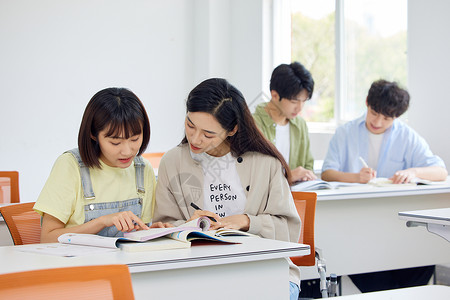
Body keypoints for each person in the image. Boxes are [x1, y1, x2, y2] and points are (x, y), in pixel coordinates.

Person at [153, 78, 302, 300]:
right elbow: (162, 227)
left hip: (264, 271)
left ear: (232, 129)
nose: (195, 138)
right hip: (197, 274)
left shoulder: (266, 163)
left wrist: (248, 221)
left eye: (208, 134)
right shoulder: (172, 161)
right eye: (190, 125)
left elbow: (289, 231)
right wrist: (189, 225)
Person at [34, 87, 168, 243]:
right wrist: (102, 221)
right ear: (93, 134)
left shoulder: (143, 169)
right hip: (77, 264)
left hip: (126, 265)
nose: (127, 151)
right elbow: (47, 238)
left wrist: (152, 232)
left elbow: (137, 233)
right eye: (115, 142)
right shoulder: (70, 166)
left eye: (134, 139)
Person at [322, 79, 447, 184]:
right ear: (367, 102)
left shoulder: (407, 136)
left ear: (397, 116)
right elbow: (327, 173)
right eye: (374, 113)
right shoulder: (345, 133)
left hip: (392, 205)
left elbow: (441, 172)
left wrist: (413, 172)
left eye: (386, 119)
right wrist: (356, 178)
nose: (377, 123)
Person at [253, 61, 317, 183]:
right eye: (294, 101)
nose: (299, 108)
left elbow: (308, 165)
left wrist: (306, 175)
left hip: (295, 198)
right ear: (275, 95)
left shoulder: (300, 125)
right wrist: (289, 176)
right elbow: (253, 175)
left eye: (304, 101)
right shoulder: (253, 124)